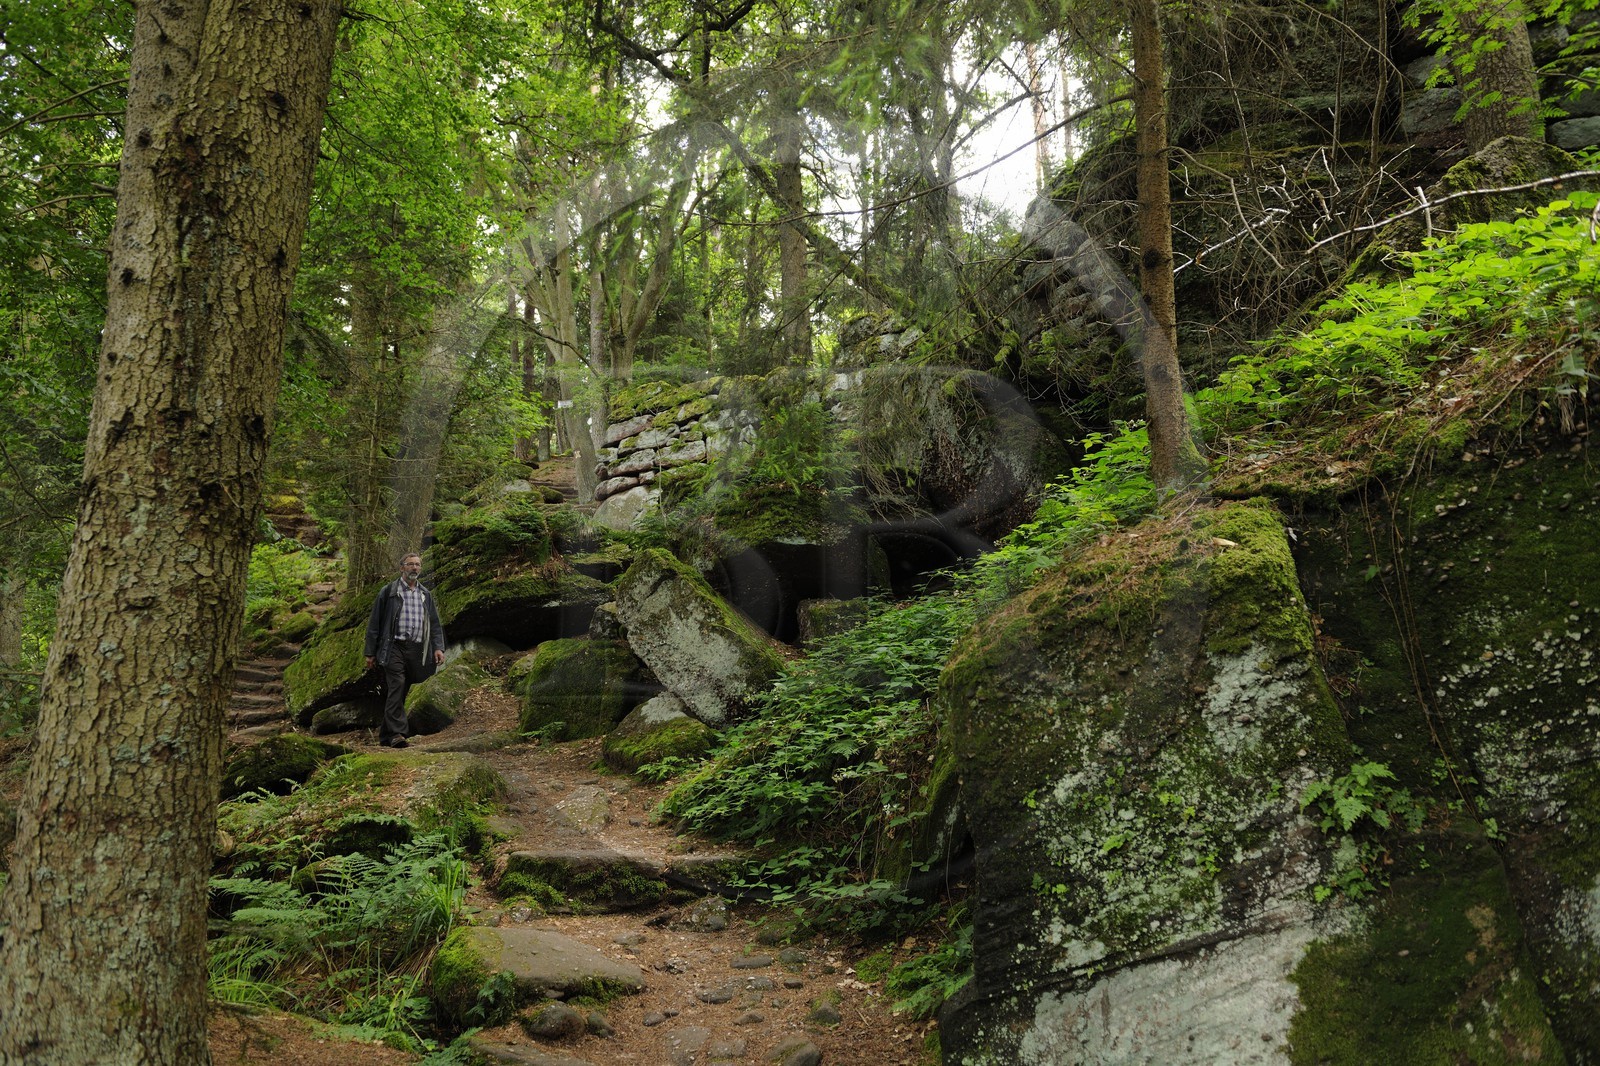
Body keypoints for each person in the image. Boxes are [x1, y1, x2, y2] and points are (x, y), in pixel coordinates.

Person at [363, 551, 446, 748]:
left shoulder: (425, 594)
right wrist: (370, 652)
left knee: (401, 690)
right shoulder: (389, 592)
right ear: (402, 568)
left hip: (417, 649)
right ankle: (398, 734)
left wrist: (438, 647)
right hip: (394, 647)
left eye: (417, 564)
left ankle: (386, 734)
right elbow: (374, 623)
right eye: (410, 564)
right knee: (397, 684)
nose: (414, 568)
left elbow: (434, 624)